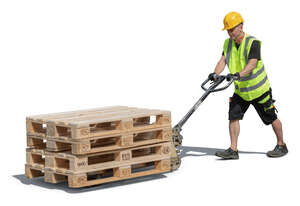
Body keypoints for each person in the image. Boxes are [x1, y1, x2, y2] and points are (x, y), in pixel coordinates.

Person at [209, 11, 288, 159]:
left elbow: (252, 64)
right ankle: (233, 150)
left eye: (232, 29)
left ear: (241, 26)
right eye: (227, 30)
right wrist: (214, 74)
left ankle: (282, 145)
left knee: (271, 117)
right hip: (241, 91)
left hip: (260, 91)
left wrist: (239, 74)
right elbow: (222, 61)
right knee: (233, 116)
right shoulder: (228, 43)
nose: (229, 33)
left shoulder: (253, 42)